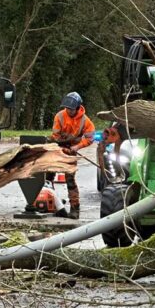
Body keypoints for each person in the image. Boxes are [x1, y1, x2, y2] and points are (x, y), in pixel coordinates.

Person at [50, 91, 96, 219]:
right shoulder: (59, 116)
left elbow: (90, 138)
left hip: (72, 150)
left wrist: (77, 146)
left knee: (70, 180)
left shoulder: (85, 121)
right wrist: (61, 146)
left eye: (71, 109)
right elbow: (55, 135)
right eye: (67, 108)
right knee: (48, 178)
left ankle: (75, 209)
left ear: (77, 108)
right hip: (58, 148)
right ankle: (54, 205)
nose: (68, 110)